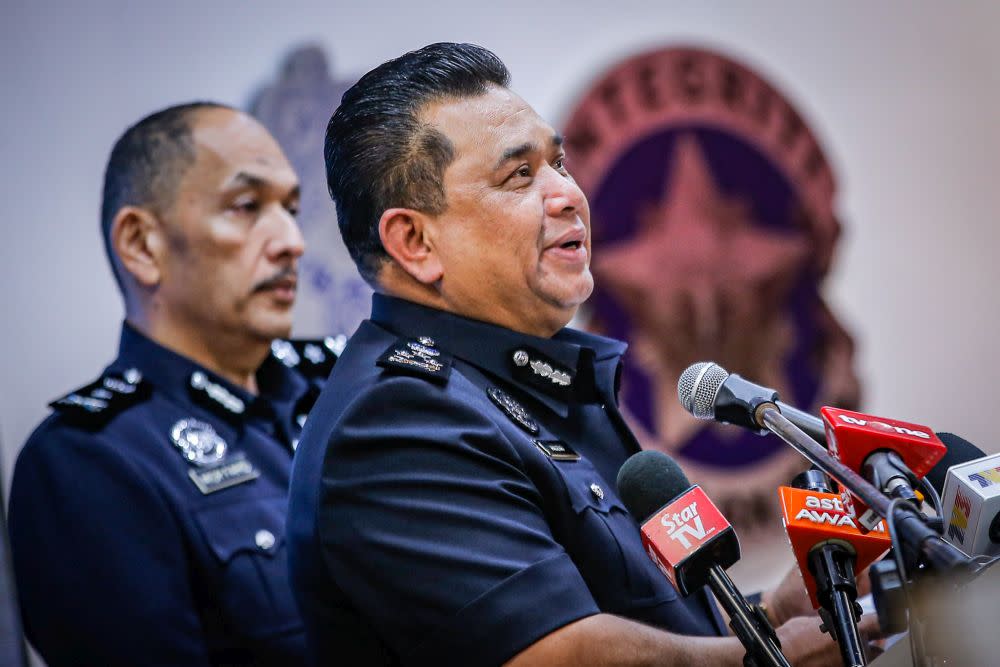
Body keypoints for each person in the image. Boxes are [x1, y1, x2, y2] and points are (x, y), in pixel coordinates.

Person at [287, 43, 877, 666]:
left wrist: (779, 612)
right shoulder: (398, 422)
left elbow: (650, 621)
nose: (569, 194)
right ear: (414, 241)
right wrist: (774, 657)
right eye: (519, 175)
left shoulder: (538, 384)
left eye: (559, 163)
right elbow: (559, 655)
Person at [8, 102, 338, 666]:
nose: (291, 240)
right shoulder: (88, 462)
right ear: (141, 245)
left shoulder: (341, 388)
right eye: (246, 206)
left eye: (291, 207)